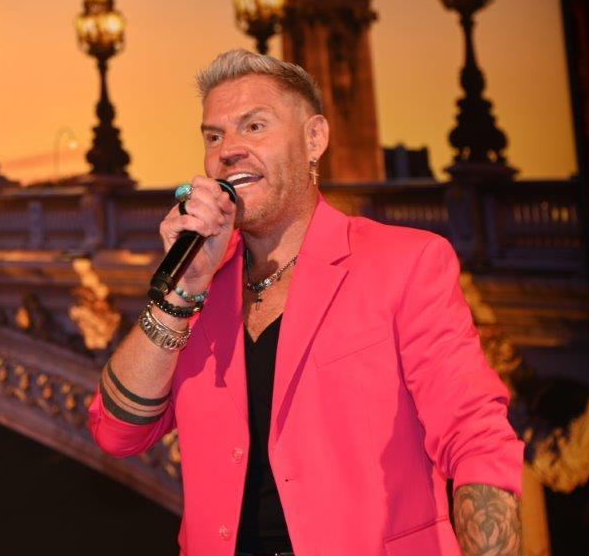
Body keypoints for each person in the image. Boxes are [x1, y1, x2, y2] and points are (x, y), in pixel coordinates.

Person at [88, 49, 523, 555]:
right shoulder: (199, 290)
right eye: (214, 136)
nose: (229, 151)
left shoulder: (405, 263)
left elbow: (475, 438)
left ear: (314, 139)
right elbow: (116, 433)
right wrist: (181, 292)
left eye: (254, 126)